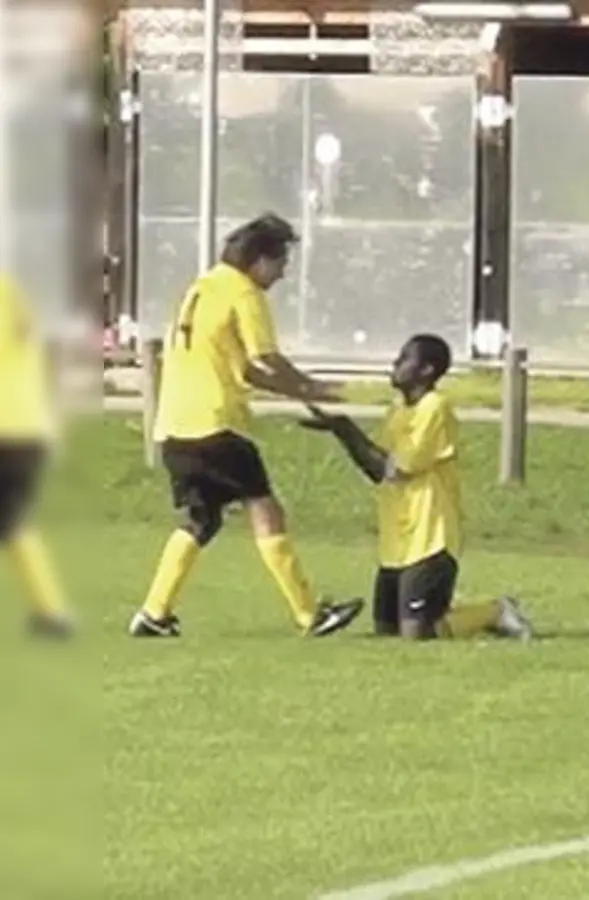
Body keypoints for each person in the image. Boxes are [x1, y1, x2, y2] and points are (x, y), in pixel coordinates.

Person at [129, 213, 364, 638]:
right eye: (280, 262)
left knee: (201, 520)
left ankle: (153, 613)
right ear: (258, 260)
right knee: (266, 510)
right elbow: (266, 359)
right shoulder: (244, 293)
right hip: (216, 424)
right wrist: (314, 388)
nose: (284, 272)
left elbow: (247, 371)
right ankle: (310, 615)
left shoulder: (200, 289)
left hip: (174, 427)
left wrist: (301, 392)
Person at [299, 334, 532, 641]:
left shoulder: (435, 407)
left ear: (426, 370)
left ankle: (495, 611)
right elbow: (377, 469)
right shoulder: (398, 410)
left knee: (417, 633)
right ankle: (460, 611)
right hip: (398, 540)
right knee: (388, 629)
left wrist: (347, 428)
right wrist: (341, 432)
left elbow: (400, 469)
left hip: (431, 536)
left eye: (404, 359)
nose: (394, 365)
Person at [0, 272, 73, 638]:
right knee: (12, 522)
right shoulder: (10, 290)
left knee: (12, 521)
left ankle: (52, 612)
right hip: (28, 426)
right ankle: (51, 612)